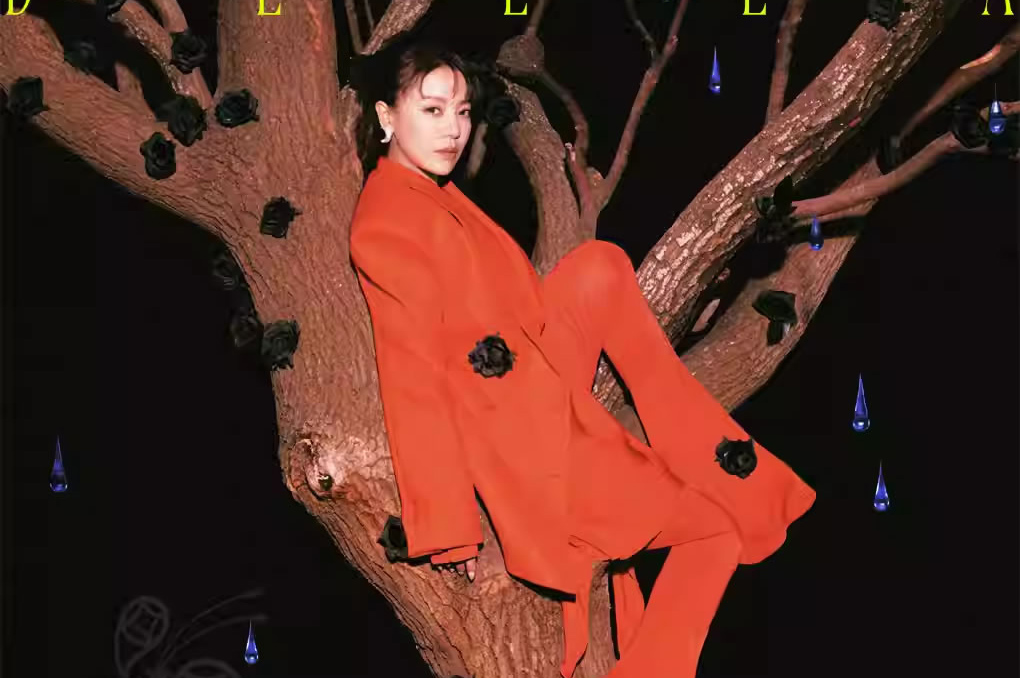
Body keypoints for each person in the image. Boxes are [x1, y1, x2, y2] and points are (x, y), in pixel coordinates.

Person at [347, 32, 816, 678]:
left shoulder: (429, 192)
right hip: (513, 439)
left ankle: (706, 451)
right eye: (432, 110)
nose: (453, 129)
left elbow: (507, 312)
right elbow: (412, 379)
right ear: (384, 117)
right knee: (716, 529)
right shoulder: (385, 224)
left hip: (522, 381)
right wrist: (448, 526)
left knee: (598, 266)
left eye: (462, 111)